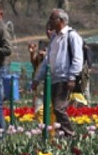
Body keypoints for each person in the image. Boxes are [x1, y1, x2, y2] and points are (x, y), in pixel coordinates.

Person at [31, 8, 84, 137]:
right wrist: (37, 78)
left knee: (59, 108)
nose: (49, 22)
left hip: (65, 78)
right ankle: (62, 135)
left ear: (60, 20)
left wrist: (72, 77)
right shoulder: (55, 38)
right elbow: (47, 61)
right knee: (55, 109)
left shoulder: (71, 36)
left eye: (52, 19)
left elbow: (78, 58)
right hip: (53, 78)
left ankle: (70, 134)